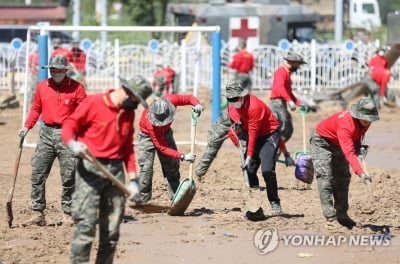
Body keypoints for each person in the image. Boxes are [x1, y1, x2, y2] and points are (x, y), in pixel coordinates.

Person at [61, 75, 152, 263]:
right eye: (136, 100)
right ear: (127, 92)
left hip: (115, 171)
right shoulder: (93, 103)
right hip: (91, 168)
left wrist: (134, 180)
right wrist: (72, 143)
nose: (135, 106)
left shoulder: (128, 113)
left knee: (111, 231)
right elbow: (70, 124)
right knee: (86, 227)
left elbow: (128, 149)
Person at [18, 55, 87, 226]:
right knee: (37, 173)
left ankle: (68, 213)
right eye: (52, 70)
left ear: (65, 70)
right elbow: (36, 108)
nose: (55, 73)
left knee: (69, 175)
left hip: (68, 134)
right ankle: (38, 212)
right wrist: (27, 126)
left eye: (59, 70)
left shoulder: (77, 88)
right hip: (47, 133)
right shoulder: (43, 87)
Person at [309, 97, 379, 232]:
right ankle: (330, 219)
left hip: (339, 142)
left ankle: (342, 214)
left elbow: (357, 137)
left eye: (370, 118)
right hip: (322, 142)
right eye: (365, 118)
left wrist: (359, 147)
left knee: (343, 178)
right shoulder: (346, 125)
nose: (367, 121)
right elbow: (349, 153)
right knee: (325, 178)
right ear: (358, 114)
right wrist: (361, 172)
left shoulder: (366, 121)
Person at [225, 81, 283, 214]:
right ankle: (255, 201)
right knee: (248, 170)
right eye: (230, 99)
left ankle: (274, 201)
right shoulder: (232, 105)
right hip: (251, 135)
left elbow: (253, 132)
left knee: (267, 170)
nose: (232, 101)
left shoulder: (254, 106)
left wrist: (249, 155)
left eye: (235, 98)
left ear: (242, 96)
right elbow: (236, 127)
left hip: (268, 135)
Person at [195, 104, 295, 178]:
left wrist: (287, 155)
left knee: (250, 152)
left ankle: (249, 181)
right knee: (212, 147)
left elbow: (276, 136)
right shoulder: (253, 118)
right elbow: (231, 133)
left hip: (241, 125)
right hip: (225, 122)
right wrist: (242, 148)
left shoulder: (268, 121)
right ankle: (199, 174)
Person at [136, 94, 204, 203]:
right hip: (147, 137)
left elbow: (188, 98)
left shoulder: (171, 100)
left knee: (172, 165)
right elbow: (162, 147)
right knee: (146, 169)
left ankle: (176, 198)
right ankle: (144, 200)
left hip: (165, 133)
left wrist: (197, 104)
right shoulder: (151, 124)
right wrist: (183, 156)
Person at [269, 51, 308, 143]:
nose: (299, 67)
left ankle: (276, 151)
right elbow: (280, 88)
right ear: (292, 62)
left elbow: (288, 91)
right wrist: (290, 101)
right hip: (277, 103)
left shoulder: (287, 72)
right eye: (298, 64)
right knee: (282, 129)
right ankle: (272, 152)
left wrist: (299, 103)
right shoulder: (281, 71)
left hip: (282, 102)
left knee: (288, 130)